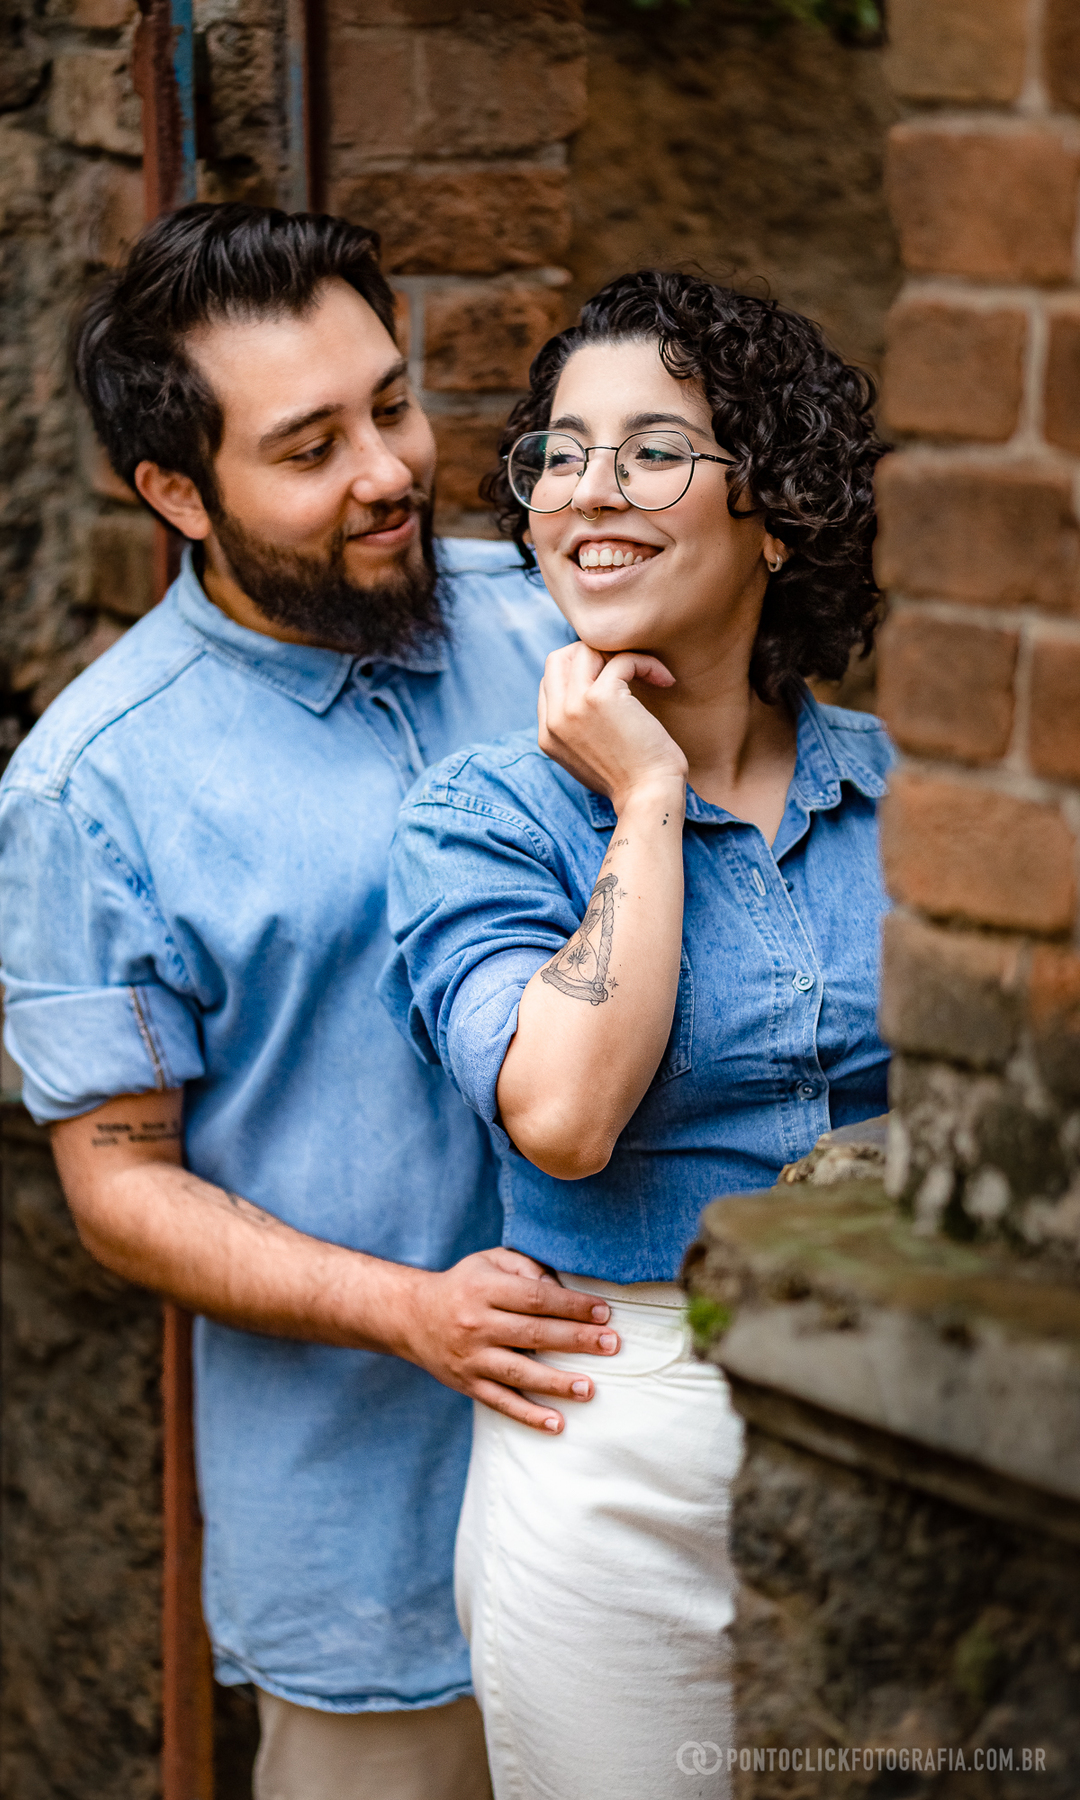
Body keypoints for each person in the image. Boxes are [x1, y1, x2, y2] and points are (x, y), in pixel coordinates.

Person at [0, 204, 627, 1800]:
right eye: (311, 446)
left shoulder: (562, 622)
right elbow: (121, 1191)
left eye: (391, 404)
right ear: (176, 493)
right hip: (370, 1555)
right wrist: (410, 1312)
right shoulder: (90, 792)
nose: (390, 469)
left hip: (653, 1492)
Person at [381, 270, 892, 1800]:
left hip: (888, 1404)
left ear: (775, 510)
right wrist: (647, 798)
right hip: (612, 1432)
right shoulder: (480, 821)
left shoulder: (905, 798)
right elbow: (563, 1116)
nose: (590, 490)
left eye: (655, 450)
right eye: (561, 454)